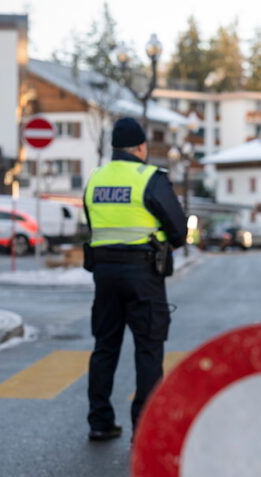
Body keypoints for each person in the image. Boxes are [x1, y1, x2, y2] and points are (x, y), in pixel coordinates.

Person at [82, 117, 186, 442]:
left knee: (105, 346)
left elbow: (92, 223)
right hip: (143, 273)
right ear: (141, 147)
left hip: (104, 274)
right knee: (149, 349)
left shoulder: (95, 178)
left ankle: (100, 421)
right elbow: (179, 230)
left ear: (114, 147)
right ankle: (144, 428)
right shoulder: (149, 178)